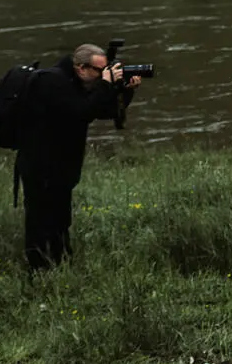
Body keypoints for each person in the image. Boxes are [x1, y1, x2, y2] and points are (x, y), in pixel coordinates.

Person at [16, 43, 140, 271]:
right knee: (41, 221)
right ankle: (38, 271)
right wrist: (105, 83)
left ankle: (61, 264)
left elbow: (103, 110)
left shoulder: (77, 83)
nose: (102, 76)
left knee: (61, 219)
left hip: (62, 164)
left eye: (106, 70)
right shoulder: (52, 82)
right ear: (81, 68)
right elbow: (81, 111)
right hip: (39, 164)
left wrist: (125, 90)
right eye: (99, 71)